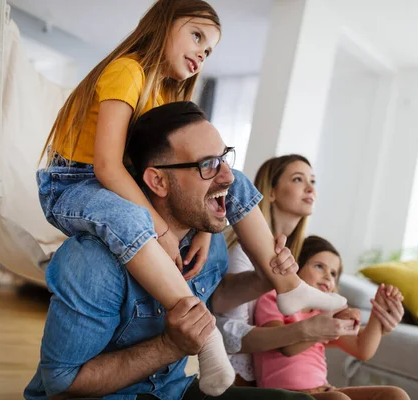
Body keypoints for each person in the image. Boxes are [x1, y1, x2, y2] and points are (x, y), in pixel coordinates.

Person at [36, 0, 347, 394]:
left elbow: (188, 184)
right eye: (197, 36)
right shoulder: (127, 71)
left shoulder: (164, 95)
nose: (202, 52)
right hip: (75, 182)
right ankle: (206, 336)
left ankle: (286, 285)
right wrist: (162, 229)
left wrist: (205, 226)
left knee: (236, 181)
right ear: (163, 25)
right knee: (131, 221)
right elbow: (108, 168)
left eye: (210, 48)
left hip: (119, 184)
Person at [25, 102, 337, 400]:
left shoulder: (207, 238)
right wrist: (171, 345)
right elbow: (62, 384)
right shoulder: (93, 262)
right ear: (157, 181)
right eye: (208, 165)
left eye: (225, 158)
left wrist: (265, 279)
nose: (229, 177)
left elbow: (215, 298)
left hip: (173, 392)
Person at [217, 155, 359, 386]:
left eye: (313, 181)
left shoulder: (296, 257)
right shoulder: (241, 253)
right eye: (297, 179)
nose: (310, 188)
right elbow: (230, 336)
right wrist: (305, 330)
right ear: (271, 192)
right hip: (237, 381)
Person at [254, 235, 410, 400]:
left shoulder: (324, 312)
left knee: (395, 395)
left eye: (334, 273)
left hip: (324, 391)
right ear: (296, 267)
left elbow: (362, 349)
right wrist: (328, 325)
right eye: (319, 266)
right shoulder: (274, 299)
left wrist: (379, 313)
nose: (328, 276)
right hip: (285, 395)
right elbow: (286, 348)